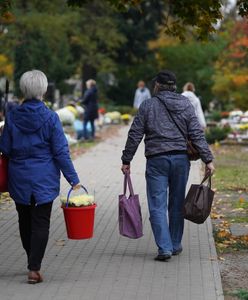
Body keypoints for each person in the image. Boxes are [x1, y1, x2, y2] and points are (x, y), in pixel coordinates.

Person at [121, 70, 215, 261]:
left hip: (157, 160)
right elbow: (196, 133)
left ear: (157, 86)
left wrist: (126, 159)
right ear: (174, 86)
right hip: (181, 160)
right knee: (177, 203)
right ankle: (175, 243)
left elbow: (135, 134)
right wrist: (208, 159)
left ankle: (164, 248)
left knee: (157, 205)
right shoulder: (186, 104)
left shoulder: (148, 105)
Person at [0, 70, 80, 284]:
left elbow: (5, 148)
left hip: (19, 177)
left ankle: (31, 260)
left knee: (24, 220)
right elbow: (60, 151)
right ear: (43, 90)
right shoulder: (51, 117)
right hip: (44, 177)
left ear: (23, 89)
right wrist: (73, 178)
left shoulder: (13, 115)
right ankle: (34, 267)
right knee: (41, 222)